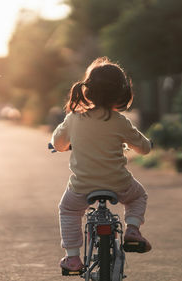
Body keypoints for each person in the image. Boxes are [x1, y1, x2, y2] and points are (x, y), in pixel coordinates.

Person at [51, 57, 153, 272]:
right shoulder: (120, 121)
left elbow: (59, 144)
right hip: (119, 184)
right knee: (138, 196)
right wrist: (147, 144)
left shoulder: (74, 118)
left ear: (88, 90)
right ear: (121, 93)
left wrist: (57, 144)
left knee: (68, 210)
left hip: (82, 187)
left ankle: (72, 258)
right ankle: (132, 230)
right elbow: (143, 148)